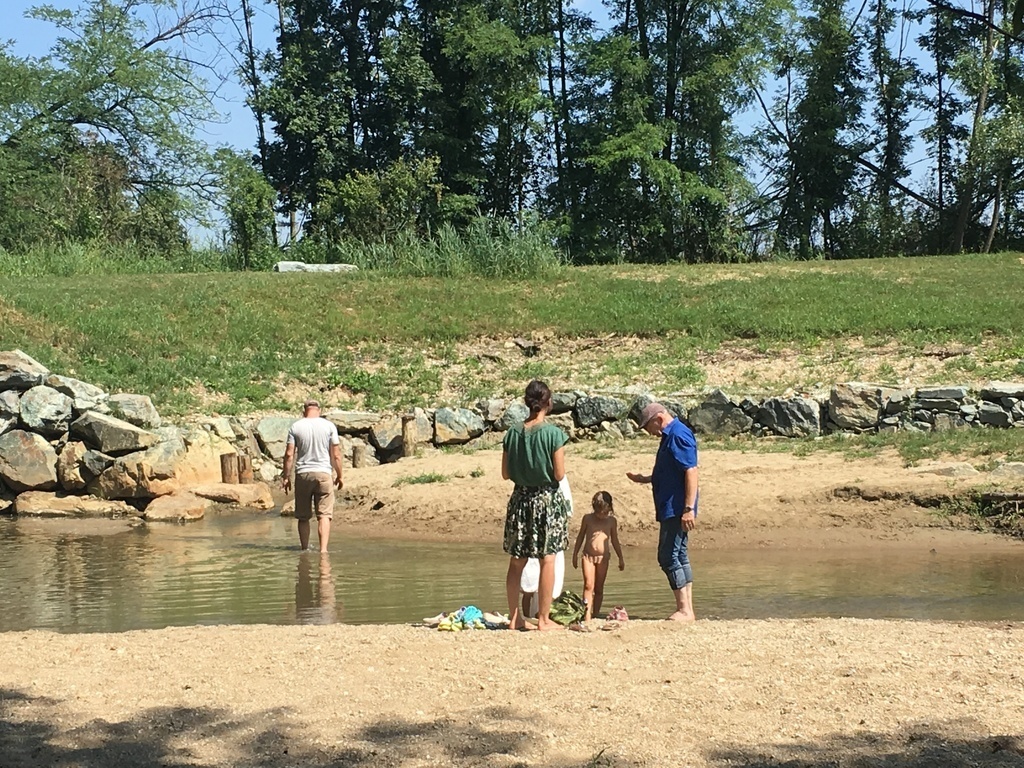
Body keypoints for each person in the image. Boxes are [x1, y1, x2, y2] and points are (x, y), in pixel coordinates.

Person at [501, 379, 570, 631]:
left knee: (517, 560)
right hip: (545, 500)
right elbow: (559, 474)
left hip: (520, 499)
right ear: (548, 402)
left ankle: (514, 617)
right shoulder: (554, 434)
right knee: (547, 559)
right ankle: (543, 618)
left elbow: (505, 473)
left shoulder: (512, 433)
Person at [627, 402, 699, 622]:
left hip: (676, 507)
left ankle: (684, 610)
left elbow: (691, 471)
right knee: (679, 555)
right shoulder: (670, 435)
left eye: (648, 427)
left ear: (658, 418)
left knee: (668, 557)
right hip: (673, 505)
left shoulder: (677, 435)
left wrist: (688, 508)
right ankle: (687, 609)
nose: (649, 432)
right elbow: (672, 471)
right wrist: (647, 479)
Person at [281, 399, 344, 553]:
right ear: (319, 410)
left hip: (303, 474)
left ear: (304, 411)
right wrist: (340, 475)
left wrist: (286, 477)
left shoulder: (296, 426)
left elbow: (289, 455)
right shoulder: (329, 426)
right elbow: (336, 455)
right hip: (324, 473)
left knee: (303, 517)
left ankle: (304, 549)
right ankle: (323, 551)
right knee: (324, 515)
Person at [572, 491, 624, 621]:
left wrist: (620, 558)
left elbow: (615, 540)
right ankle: (587, 615)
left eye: (605, 512)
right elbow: (580, 537)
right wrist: (575, 554)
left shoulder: (611, 521)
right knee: (588, 585)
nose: (602, 516)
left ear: (609, 509)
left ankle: (596, 613)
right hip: (587, 556)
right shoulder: (587, 519)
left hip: (603, 558)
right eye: (599, 512)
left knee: (599, 587)